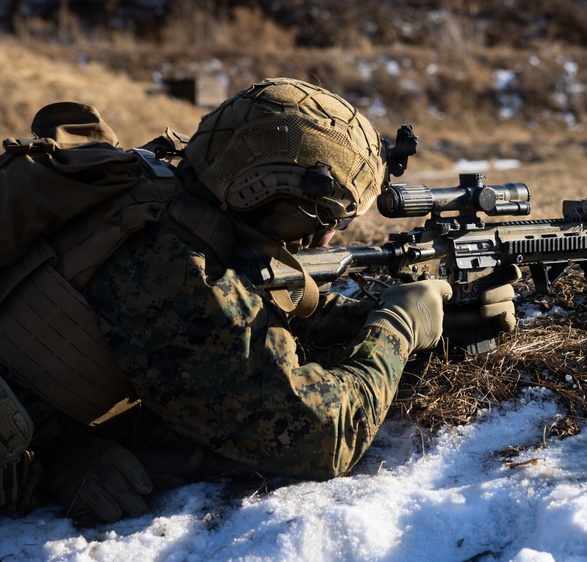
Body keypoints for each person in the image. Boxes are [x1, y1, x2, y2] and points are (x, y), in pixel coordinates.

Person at [0, 78, 519, 522]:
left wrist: (379, 315)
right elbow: (319, 437)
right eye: (323, 218)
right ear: (263, 193)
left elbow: (262, 303)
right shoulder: (180, 271)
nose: (330, 237)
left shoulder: (176, 193)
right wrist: (397, 329)